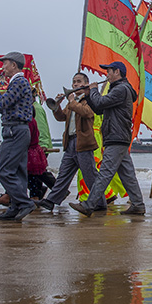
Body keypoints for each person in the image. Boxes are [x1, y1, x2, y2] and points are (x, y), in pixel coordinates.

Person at [70, 61, 146, 217]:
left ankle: (89, 205)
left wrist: (94, 90)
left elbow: (100, 102)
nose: (107, 74)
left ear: (117, 72)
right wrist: (88, 93)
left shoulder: (121, 89)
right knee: (127, 174)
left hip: (116, 136)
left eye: (109, 71)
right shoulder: (118, 90)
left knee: (104, 172)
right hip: (118, 136)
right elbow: (98, 109)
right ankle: (138, 205)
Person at [0, 51, 36, 221]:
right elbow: (8, 109)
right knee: (17, 172)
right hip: (17, 130)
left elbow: (5, 103)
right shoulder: (19, 82)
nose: (3, 67)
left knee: (3, 171)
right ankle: (14, 206)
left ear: (14, 65)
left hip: (15, 131)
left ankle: (24, 202)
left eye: (5, 64)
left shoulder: (18, 81)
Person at [39, 72, 99, 212]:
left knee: (89, 175)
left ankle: (100, 202)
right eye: (73, 82)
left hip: (83, 142)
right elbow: (62, 117)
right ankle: (51, 201)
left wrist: (71, 101)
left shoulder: (88, 99)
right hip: (70, 141)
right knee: (63, 173)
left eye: (78, 82)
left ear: (85, 84)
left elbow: (87, 113)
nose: (75, 84)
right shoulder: (73, 102)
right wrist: (56, 107)